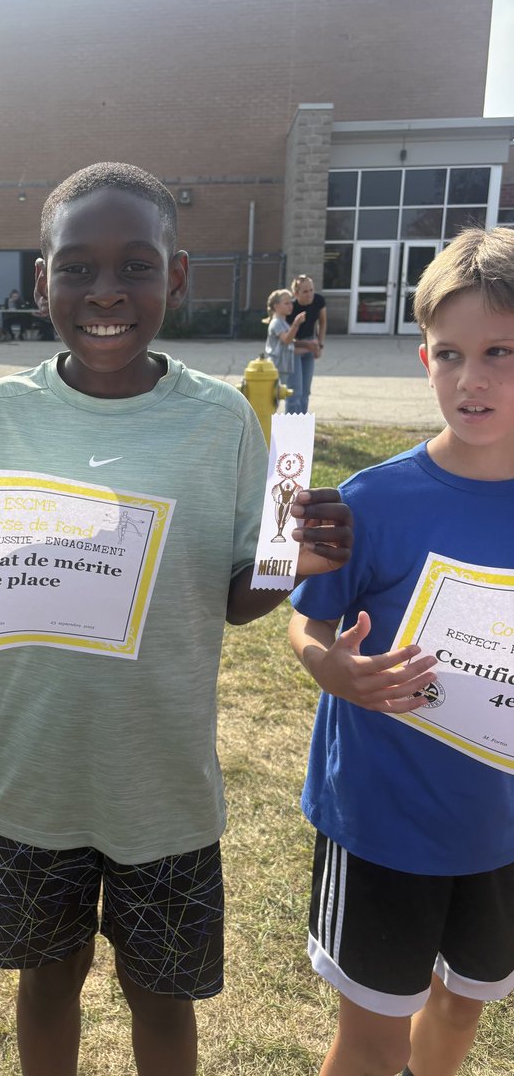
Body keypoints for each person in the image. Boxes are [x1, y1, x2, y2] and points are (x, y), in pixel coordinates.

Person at [0, 162, 352, 1076]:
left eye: (137, 267)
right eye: (76, 269)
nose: (106, 292)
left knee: (161, 998)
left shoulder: (224, 422)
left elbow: (241, 596)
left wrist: (295, 557)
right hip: (35, 776)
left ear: (180, 275)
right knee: (46, 983)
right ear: (43, 280)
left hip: (162, 786)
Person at [288, 226, 514, 1076]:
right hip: (386, 825)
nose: (473, 378)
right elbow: (306, 623)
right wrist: (332, 669)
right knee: (375, 1034)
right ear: (424, 361)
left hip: (501, 827)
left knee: (461, 1011)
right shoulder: (373, 501)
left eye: (500, 350)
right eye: (450, 354)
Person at [285, 274, 327, 414]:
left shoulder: (318, 301)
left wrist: (319, 345)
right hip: (294, 348)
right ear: (296, 294)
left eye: (311, 290)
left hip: (310, 343)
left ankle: (303, 426)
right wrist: (307, 345)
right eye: (305, 292)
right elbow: (287, 339)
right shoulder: (291, 308)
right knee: (294, 391)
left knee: (305, 391)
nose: (309, 295)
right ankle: (290, 427)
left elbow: (322, 322)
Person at [263, 287, 307, 392]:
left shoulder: (284, 323)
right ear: (276, 306)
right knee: (274, 396)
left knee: (278, 396)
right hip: (277, 366)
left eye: (291, 303)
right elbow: (286, 340)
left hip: (284, 367)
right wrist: (296, 323)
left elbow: (289, 345)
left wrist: (307, 349)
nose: (290, 306)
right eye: (286, 303)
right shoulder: (276, 323)